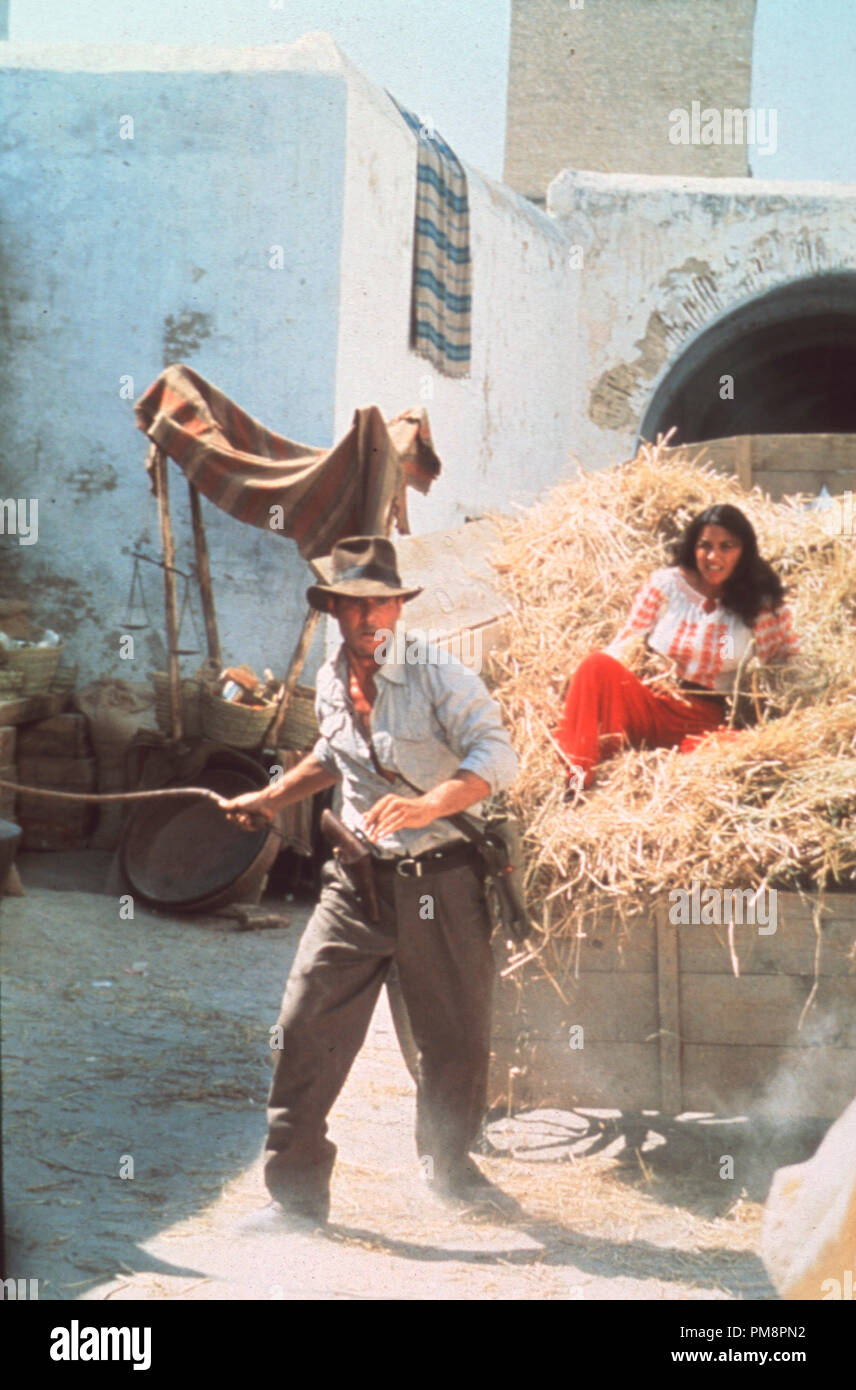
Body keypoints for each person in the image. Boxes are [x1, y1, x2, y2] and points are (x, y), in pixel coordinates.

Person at [221, 535, 519, 1225]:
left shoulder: (438, 675)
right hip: (355, 885)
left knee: (455, 1040)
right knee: (303, 1025)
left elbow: (498, 758)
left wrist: (428, 803)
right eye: (351, 606)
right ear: (332, 608)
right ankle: (295, 1194)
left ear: (397, 606)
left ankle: (450, 1169)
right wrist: (270, 798)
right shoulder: (329, 676)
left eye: (379, 603)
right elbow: (332, 753)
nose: (368, 620)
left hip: (441, 883)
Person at [556, 504, 799, 792]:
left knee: (741, 749)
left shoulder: (759, 604)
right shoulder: (667, 586)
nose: (713, 557)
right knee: (594, 665)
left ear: (744, 552)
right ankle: (576, 782)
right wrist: (583, 688)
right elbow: (626, 642)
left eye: (727, 547)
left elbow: (784, 663)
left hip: (704, 722)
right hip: (653, 702)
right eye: (704, 546)